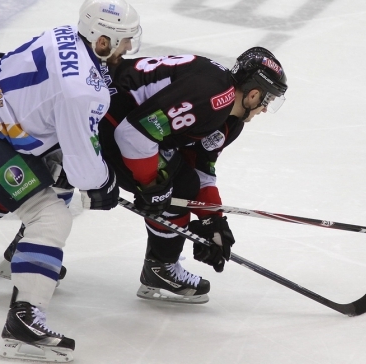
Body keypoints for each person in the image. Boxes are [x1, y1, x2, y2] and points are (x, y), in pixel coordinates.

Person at [0, 0, 141, 362]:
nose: (128, 48)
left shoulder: (65, 33)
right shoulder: (82, 91)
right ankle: (23, 323)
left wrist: (87, 174)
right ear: (102, 41)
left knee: (50, 178)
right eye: (123, 41)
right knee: (51, 216)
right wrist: (106, 184)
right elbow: (86, 169)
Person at [98, 46, 288, 303]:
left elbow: (199, 166)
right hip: (102, 114)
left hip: (115, 113)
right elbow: (133, 135)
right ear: (254, 94)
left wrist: (213, 221)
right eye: (267, 100)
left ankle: (160, 264)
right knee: (176, 186)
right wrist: (151, 185)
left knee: (181, 182)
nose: (264, 109)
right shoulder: (213, 99)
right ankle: (161, 268)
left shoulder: (228, 116)